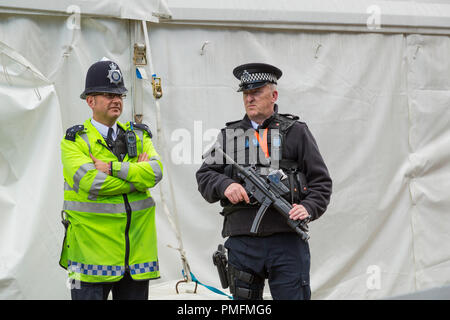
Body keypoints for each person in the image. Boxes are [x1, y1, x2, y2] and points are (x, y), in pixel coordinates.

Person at [196, 63, 332, 300]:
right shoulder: (229, 136)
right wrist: (226, 185)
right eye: (246, 93)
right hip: (242, 241)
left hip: (287, 239)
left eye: (257, 92)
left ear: (274, 95)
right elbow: (205, 175)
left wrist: (308, 207)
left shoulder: (295, 132)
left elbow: (321, 182)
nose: (250, 98)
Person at [59, 60, 163, 300]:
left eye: (120, 94)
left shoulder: (139, 135)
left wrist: (113, 168)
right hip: (88, 259)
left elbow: (156, 172)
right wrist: (137, 174)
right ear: (90, 101)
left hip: (135, 259)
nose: (116, 99)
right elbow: (93, 183)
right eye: (108, 94)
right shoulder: (75, 141)